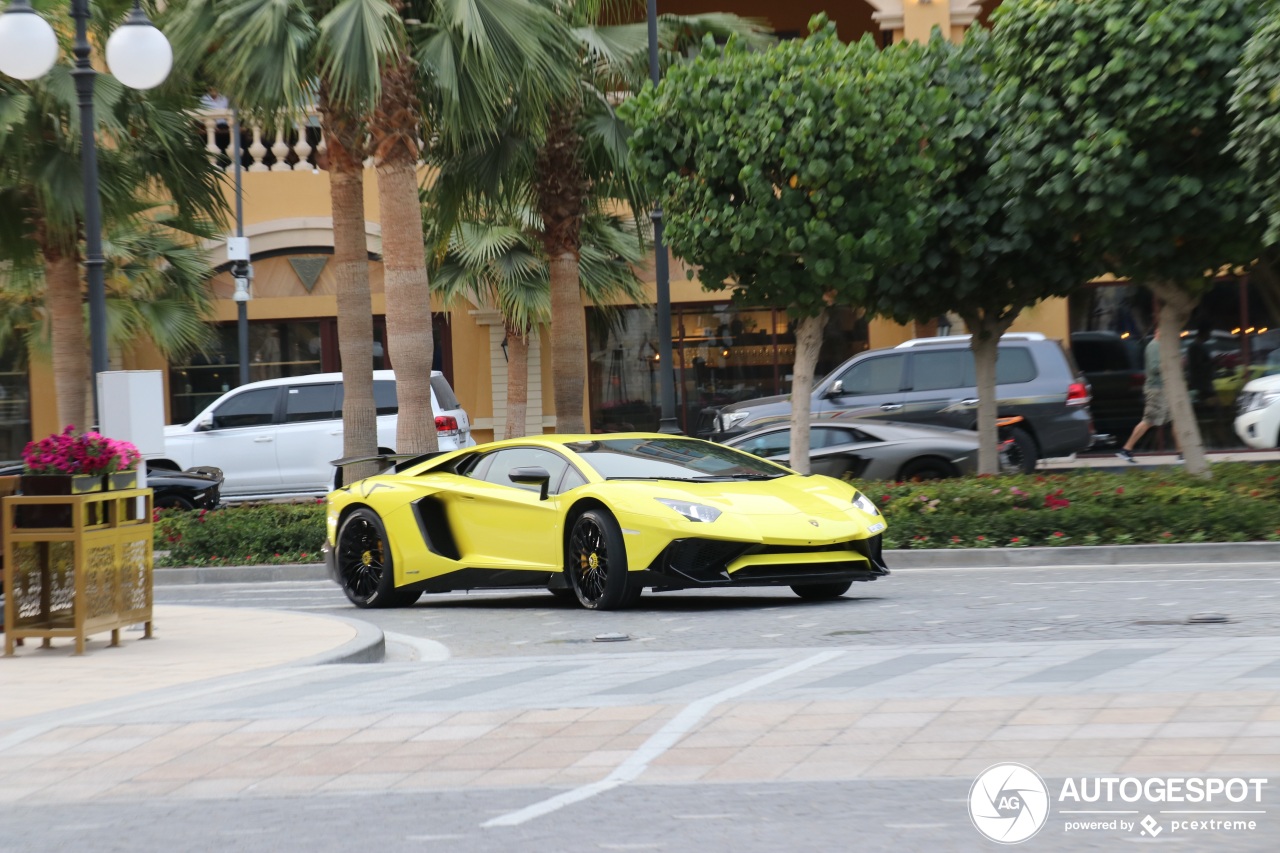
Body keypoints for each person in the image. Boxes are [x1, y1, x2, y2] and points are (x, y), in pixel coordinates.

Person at [1117, 329, 1180, 462]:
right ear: (1159, 332)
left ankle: (1181, 453)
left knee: (1176, 420)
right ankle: (1126, 449)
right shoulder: (1154, 346)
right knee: (1148, 421)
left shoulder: (1160, 346)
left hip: (1163, 389)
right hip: (1156, 390)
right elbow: (1154, 368)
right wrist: (1171, 363)